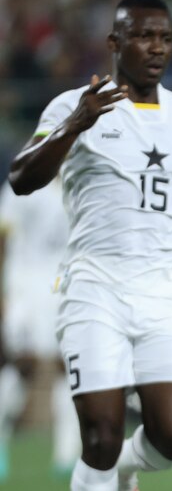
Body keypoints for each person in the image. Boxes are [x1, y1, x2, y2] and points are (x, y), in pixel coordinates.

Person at [7, 0, 172, 491]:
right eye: (144, 36)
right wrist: (75, 124)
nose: (157, 48)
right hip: (95, 286)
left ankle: (128, 469)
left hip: (167, 292)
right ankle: (105, 469)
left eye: (165, 39)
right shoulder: (72, 105)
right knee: (101, 436)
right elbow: (21, 177)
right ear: (114, 42)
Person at [0, 179, 80, 481]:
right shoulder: (24, 180)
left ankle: (66, 455)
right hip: (23, 285)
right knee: (22, 365)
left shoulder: (79, 181)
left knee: (69, 366)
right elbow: (3, 238)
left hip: (64, 284)